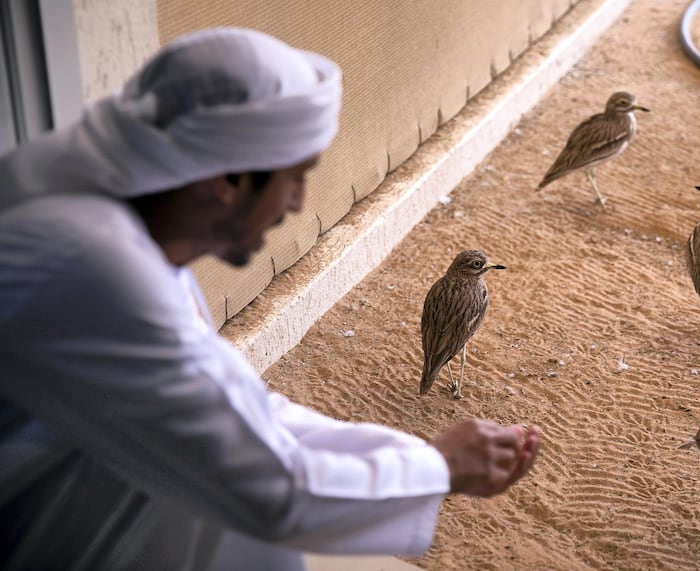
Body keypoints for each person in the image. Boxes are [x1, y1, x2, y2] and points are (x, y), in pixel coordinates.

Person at [0, 28, 542, 570]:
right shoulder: (95, 267)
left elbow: (235, 406)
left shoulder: (104, 204)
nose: (298, 205)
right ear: (227, 179)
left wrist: (418, 458)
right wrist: (440, 469)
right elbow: (269, 490)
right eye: (296, 178)